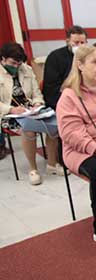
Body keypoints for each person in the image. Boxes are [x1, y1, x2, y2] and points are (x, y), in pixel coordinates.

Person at [56, 45, 96, 248]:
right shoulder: (69, 96)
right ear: (80, 65)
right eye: (94, 62)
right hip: (80, 151)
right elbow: (71, 133)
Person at [1, 42, 62, 185]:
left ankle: (52, 164)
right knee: (28, 129)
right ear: (3, 59)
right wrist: (11, 109)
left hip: (29, 110)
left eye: (19, 63)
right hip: (8, 113)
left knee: (54, 123)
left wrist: (37, 103)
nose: (16, 66)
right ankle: (33, 169)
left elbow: (36, 93)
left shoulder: (26, 70)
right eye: (13, 63)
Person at [43, 25, 87, 110]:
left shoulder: (88, 56)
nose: (79, 46)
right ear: (68, 41)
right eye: (76, 42)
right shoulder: (55, 57)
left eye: (82, 43)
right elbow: (51, 88)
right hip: (62, 100)